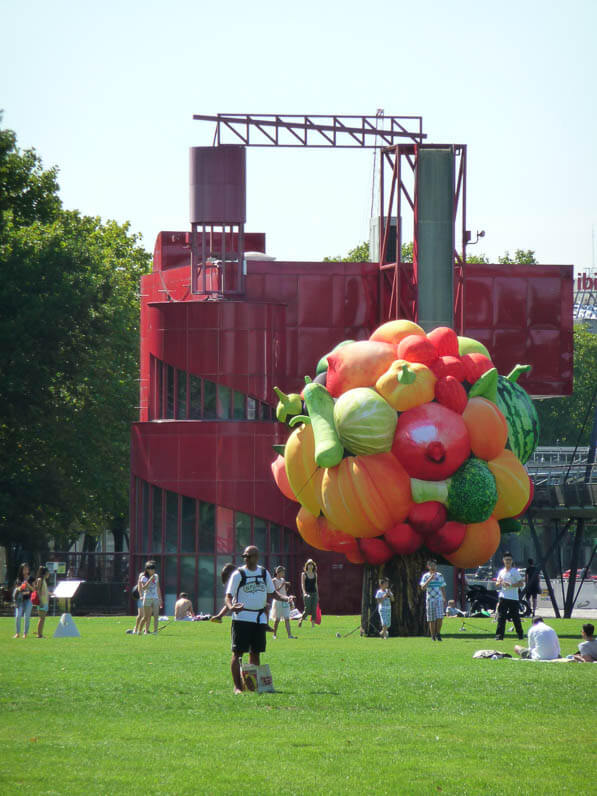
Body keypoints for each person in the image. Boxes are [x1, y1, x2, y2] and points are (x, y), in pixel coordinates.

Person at [225, 545, 291, 694]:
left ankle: (252, 685)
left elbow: (273, 593)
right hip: (241, 618)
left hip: (258, 619)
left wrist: (286, 598)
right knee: (237, 653)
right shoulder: (238, 574)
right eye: (244, 556)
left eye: (249, 556)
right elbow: (228, 596)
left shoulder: (263, 573)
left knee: (255, 653)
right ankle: (237, 687)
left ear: (256, 557)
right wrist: (231, 607)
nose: (246, 559)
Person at [495, 552, 524, 641]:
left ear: (512, 561)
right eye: (506, 560)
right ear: (503, 561)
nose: (508, 561)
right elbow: (497, 583)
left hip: (513, 598)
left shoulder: (514, 572)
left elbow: (521, 583)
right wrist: (499, 583)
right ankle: (499, 636)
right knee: (501, 617)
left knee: (515, 617)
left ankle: (520, 635)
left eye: (510, 560)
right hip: (503, 597)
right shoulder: (501, 571)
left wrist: (510, 585)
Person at [419, 560, 447, 641]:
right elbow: (423, 587)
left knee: (440, 617)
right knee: (431, 619)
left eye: (434, 565)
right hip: (430, 599)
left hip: (439, 599)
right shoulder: (425, 576)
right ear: (428, 567)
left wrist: (444, 598)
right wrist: (430, 579)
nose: (433, 567)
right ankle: (433, 636)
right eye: (431, 566)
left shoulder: (440, 575)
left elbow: (442, 587)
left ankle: (438, 633)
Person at [271, 565, 297, 639]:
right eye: (282, 572)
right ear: (278, 572)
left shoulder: (283, 579)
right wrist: (282, 584)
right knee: (277, 619)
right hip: (278, 601)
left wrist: (287, 586)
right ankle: (274, 634)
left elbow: (284, 591)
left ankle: (289, 635)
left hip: (285, 600)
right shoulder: (274, 580)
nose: (283, 574)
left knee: (287, 618)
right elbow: (275, 591)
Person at [138, 561, 162, 634]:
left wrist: (160, 598)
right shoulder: (143, 577)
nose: (153, 571)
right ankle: (139, 631)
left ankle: (155, 631)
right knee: (146, 617)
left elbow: (157, 587)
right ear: (147, 570)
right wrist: (150, 579)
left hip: (155, 598)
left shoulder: (156, 576)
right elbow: (144, 588)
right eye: (151, 569)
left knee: (156, 616)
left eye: (154, 569)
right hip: (147, 598)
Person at [13, 562, 35, 638]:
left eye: (27, 568)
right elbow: (16, 589)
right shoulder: (18, 579)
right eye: (24, 569)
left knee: (27, 616)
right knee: (18, 616)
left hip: (29, 599)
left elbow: (34, 589)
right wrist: (21, 587)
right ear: (21, 570)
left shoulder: (31, 579)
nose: (26, 570)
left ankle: (25, 633)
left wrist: (28, 585)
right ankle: (17, 633)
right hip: (20, 600)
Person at [298, 559, 319, 628]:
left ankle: (313, 625)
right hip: (307, 593)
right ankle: (301, 619)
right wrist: (304, 593)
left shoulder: (315, 574)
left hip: (314, 593)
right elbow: (302, 584)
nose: (310, 566)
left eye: (311, 564)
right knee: (307, 609)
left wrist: (317, 594)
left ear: (313, 566)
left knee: (314, 609)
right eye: (309, 564)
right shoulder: (304, 574)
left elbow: (316, 584)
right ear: (307, 566)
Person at [34, 566, 50, 638]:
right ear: (45, 573)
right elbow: (37, 591)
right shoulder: (40, 580)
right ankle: (39, 634)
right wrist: (40, 602)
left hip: (45, 601)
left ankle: (40, 633)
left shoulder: (44, 580)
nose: (48, 574)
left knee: (43, 618)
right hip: (42, 602)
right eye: (48, 572)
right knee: (41, 618)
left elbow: (44, 591)